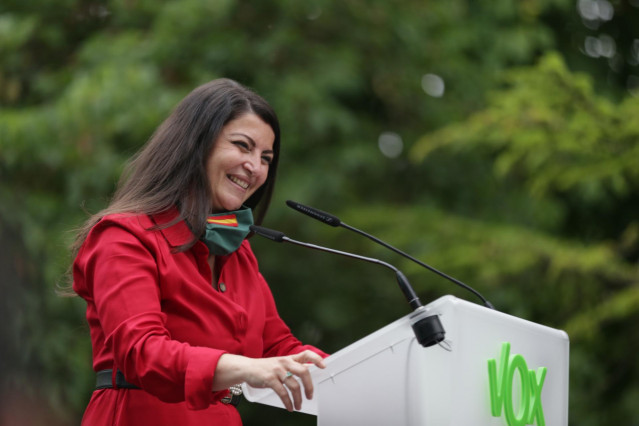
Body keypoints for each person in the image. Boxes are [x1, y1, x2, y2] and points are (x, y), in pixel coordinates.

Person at [71, 78, 328, 425]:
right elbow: (142, 351)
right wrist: (248, 368)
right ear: (196, 145)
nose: (255, 167)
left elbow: (279, 349)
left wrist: (370, 367)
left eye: (266, 157)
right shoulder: (124, 236)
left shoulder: (237, 255)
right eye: (242, 146)